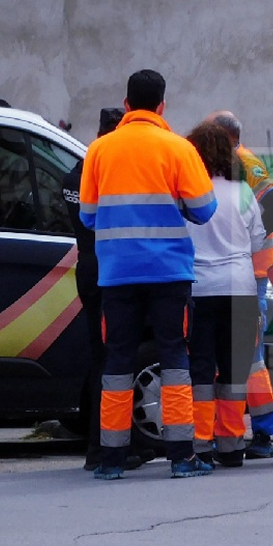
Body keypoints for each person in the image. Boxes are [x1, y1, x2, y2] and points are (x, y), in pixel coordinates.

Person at [79, 69, 217, 480]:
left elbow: (88, 216)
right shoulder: (178, 148)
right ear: (162, 106)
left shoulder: (99, 151)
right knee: (174, 357)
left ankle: (111, 460)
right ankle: (181, 456)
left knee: (117, 359)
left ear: (125, 105)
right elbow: (205, 209)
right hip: (168, 272)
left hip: (117, 273)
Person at [61, 107, 154, 472]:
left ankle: (107, 443)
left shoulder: (77, 171)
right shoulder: (106, 169)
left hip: (88, 264)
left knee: (105, 356)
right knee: (115, 358)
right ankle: (105, 448)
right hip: (111, 267)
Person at [184, 122, 267, 468]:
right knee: (234, 370)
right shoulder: (243, 193)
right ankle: (231, 444)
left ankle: (201, 443)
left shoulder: (188, 194)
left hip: (200, 288)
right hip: (241, 289)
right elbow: (259, 241)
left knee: (201, 369)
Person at [206, 110, 273, 459]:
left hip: (250, 275)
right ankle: (237, 434)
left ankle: (261, 434)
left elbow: (271, 205)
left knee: (248, 361)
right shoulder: (230, 166)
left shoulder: (244, 163)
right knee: (241, 362)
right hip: (243, 275)